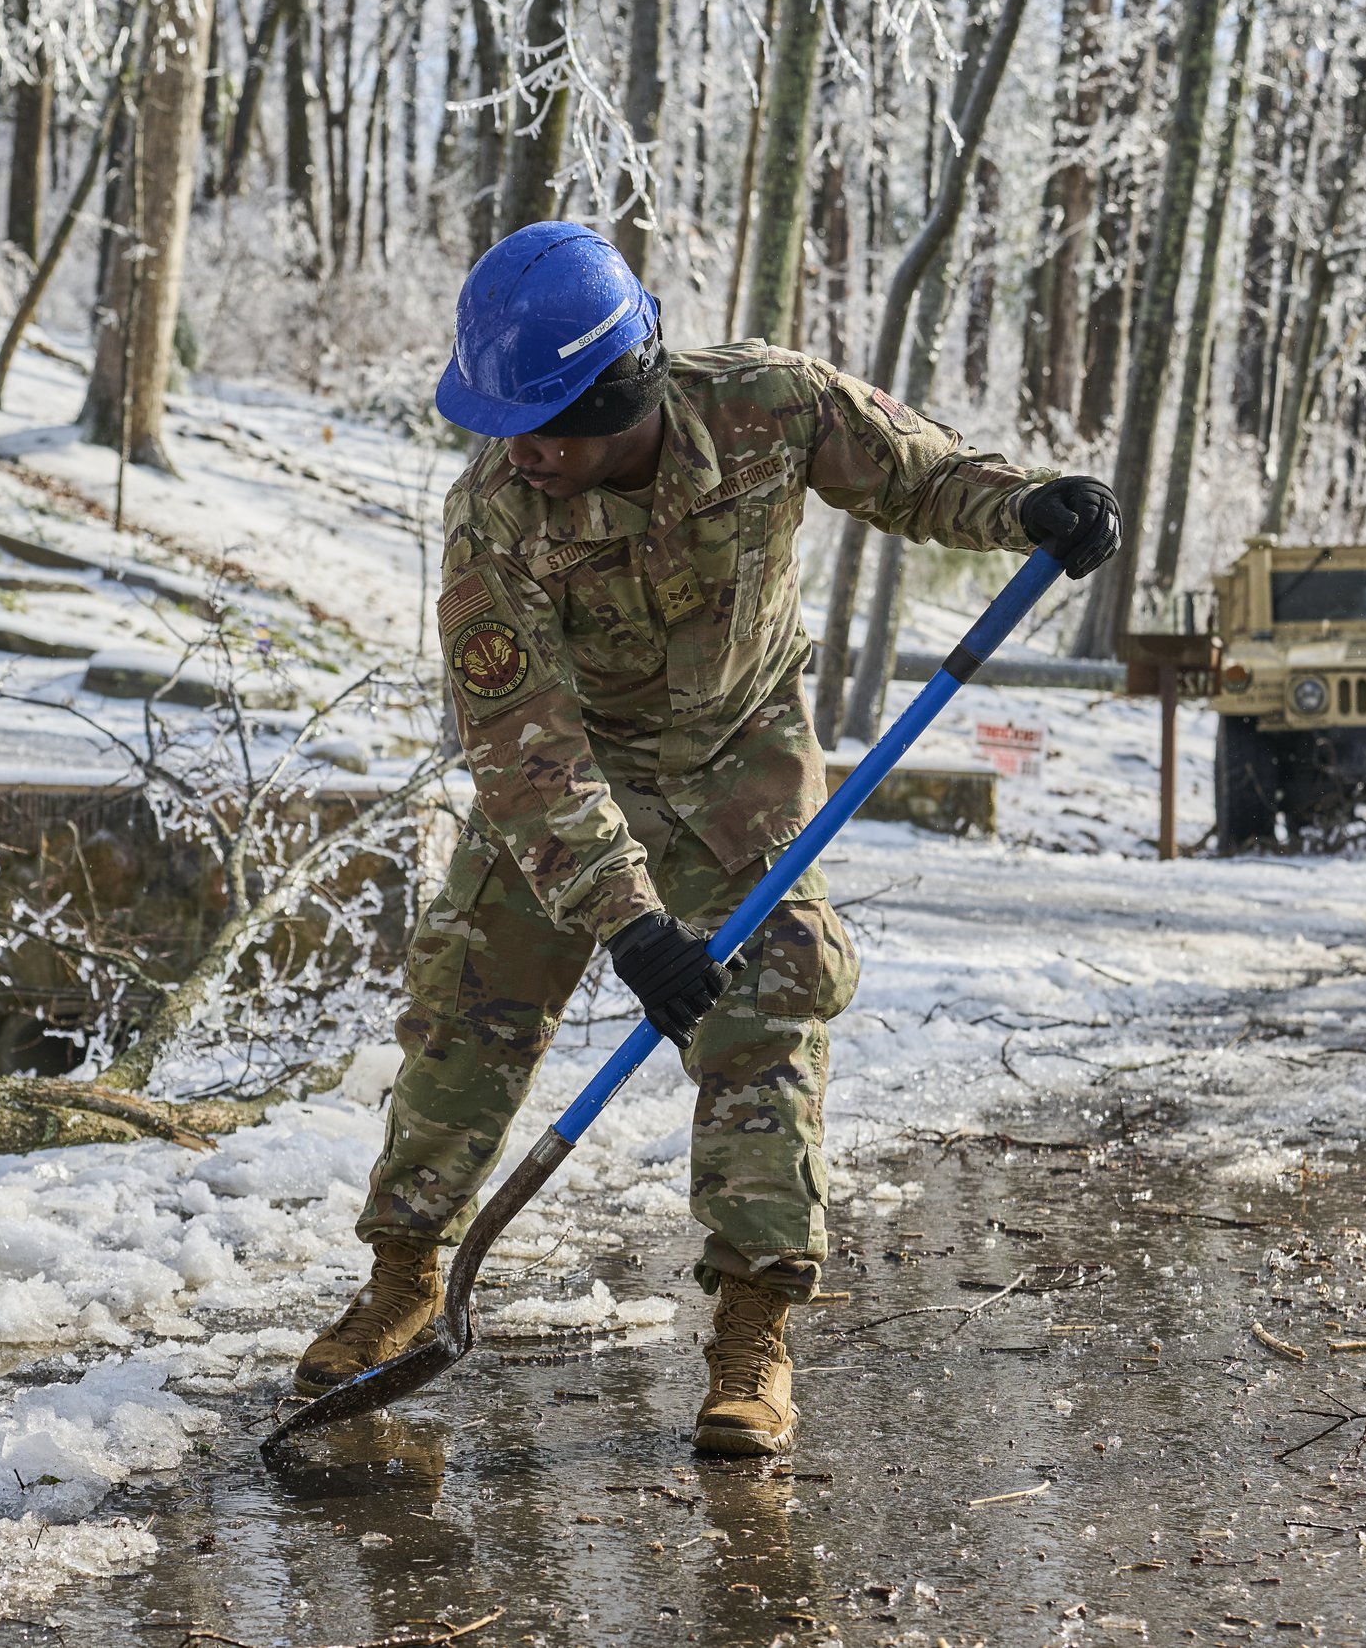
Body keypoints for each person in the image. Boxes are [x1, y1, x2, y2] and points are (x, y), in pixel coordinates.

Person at [296, 222, 1118, 1456]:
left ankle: (753, 1325)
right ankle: (406, 1273)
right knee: (468, 1000)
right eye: (506, 422)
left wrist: (1026, 506)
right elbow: (525, 745)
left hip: (741, 765)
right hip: (575, 776)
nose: (527, 448)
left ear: (625, 386)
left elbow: (914, 475)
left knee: (770, 1005)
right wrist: (632, 926)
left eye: (551, 421)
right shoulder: (495, 515)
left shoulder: (767, 405)